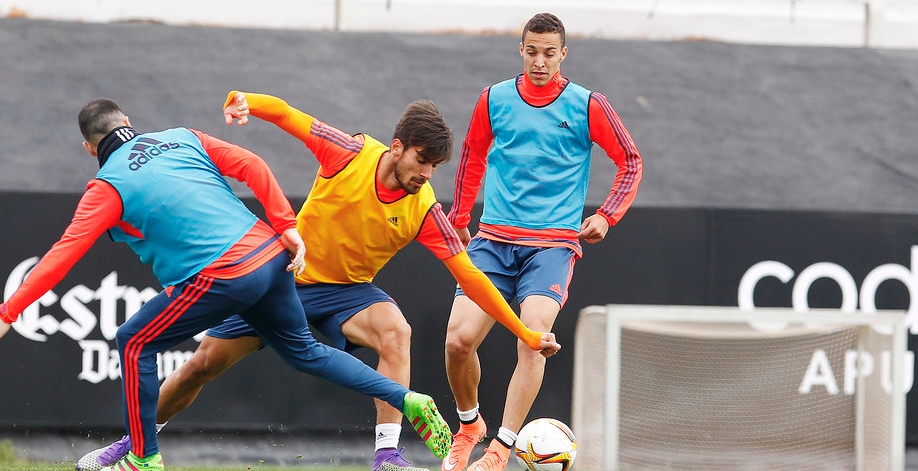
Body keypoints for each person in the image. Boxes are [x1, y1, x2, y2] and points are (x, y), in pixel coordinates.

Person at [76, 92, 561, 471]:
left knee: (397, 331)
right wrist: (247, 101)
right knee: (199, 367)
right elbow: (289, 116)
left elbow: (471, 278)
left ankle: (387, 455)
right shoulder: (349, 153)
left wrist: (525, 332)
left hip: (346, 292)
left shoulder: (425, 210)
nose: (426, 174)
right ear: (396, 147)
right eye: (421, 161)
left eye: (435, 167)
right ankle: (133, 444)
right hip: (282, 278)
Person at [0, 98, 454, 471]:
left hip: (226, 275)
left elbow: (62, 255)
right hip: (272, 259)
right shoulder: (182, 136)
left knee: (133, 342)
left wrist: (9, 311)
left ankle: (142, 457)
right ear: (129, 122)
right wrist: (285, 226)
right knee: (295, 354)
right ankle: (407, 397)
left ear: (88, 147)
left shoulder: (105, 186)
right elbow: (253, 163)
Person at [441, 12, 643, 471]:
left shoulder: (588, 104)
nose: (539, 61)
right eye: (531, 51)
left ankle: (501, 449)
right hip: (493, 240)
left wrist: (607, 215)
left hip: (551, 247)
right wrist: (459, 217)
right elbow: (472, 156)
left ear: (563, 54)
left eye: (549, 53)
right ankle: (470, 426)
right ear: (521, 50)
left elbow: (630, 161)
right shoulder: (493, 98)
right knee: (457, 343)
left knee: (533, 339)